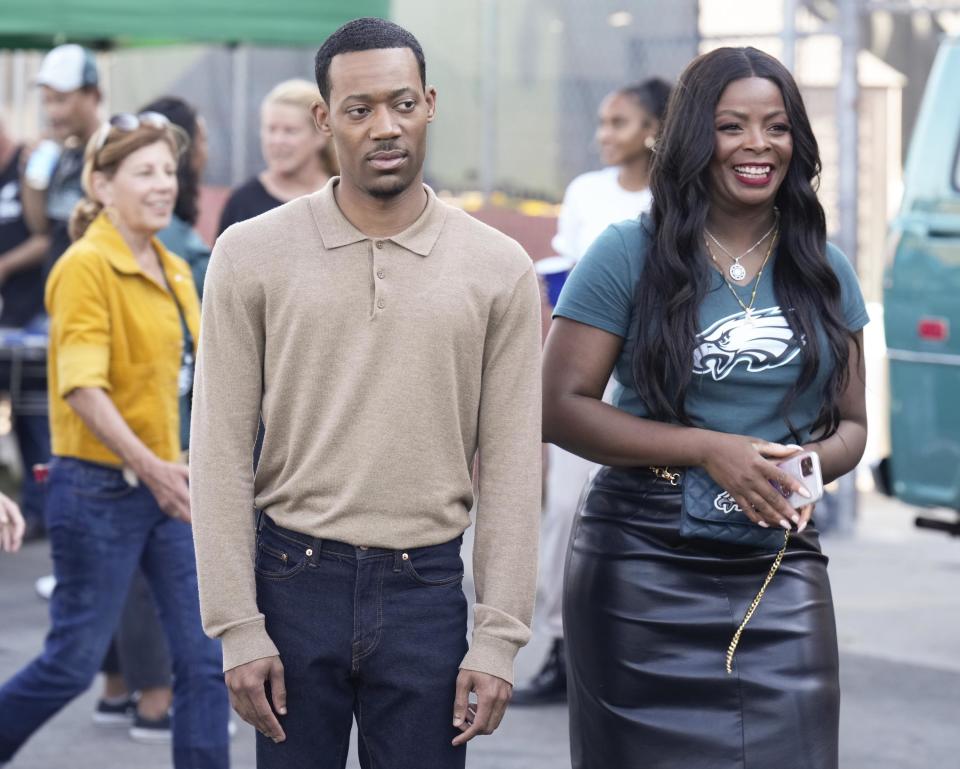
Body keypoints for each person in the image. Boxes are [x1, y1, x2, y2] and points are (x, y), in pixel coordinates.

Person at [190, 17, 542, 769]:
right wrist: (236, 625)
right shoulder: (250, 252)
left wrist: (499, 634)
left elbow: (513, 461)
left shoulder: (498, 265)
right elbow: (217, 448)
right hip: (290, 584)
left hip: (427, 590)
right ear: (325, 119)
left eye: (403, 103)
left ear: (430, 104)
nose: (386, 127)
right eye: (359, 109)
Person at [544, 46, 867, 769]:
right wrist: (706, 447)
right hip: (640, 565)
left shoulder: (822, 264)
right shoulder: (629, 250)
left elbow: (854, 428)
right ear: (695, 135)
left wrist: (801, 469)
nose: (758, 145)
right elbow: (559, 406)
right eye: (733, 126)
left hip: (778, 563)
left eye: (777, 127)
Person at [0, 113, 230, 769]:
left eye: (168, 172)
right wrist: (152, 467)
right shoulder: (85, 266)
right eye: (144, 172)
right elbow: (81, 386)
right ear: (101, 186)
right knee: (71, 664)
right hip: (98, 488)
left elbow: (189, 382)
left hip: (169, 487)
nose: (163, 185)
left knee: (204, 659)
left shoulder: (175, 267)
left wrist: (178, 468)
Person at [513, 77, 672, 706]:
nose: (604, 135)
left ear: (654, 130)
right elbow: (567, 280)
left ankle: (641, 649)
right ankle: (560, 645)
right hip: (588, 381)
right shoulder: (586, 193)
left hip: (657, 383)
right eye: (603, 122)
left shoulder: (678, 198)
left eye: (620, 122)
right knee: (565, 514)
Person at [0, 118, 51, 543]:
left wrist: (4, 265)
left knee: (34, 422)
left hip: (31, 316)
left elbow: (44, 237)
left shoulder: (27, 161)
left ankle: (40, 512)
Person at [217, 78, 337, 233]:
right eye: (271, 129)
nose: (277, 141)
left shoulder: (344, 198)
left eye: (290, 130)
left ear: (321, 135)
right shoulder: (242, 203)